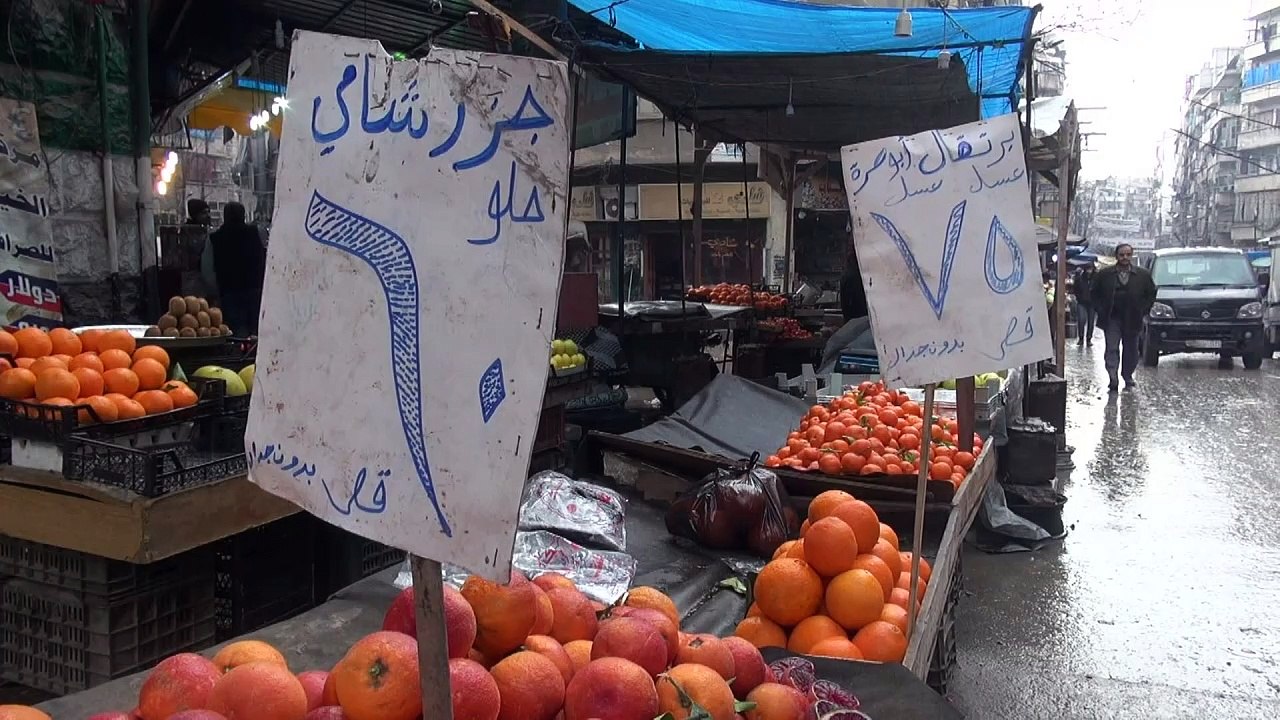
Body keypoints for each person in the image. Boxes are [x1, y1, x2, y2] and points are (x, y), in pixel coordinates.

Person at [1090, 243, 1156, 392]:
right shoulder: (1105, 274)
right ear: (1116, 256)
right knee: (1112, 348)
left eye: (1128, 255)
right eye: (1122, 255)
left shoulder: (1143, 275)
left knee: (1131, 350)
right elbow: (1094, 292)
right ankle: (1112, 377)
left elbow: (1151, 293)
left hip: (1133, 318)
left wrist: (1143, 310)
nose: (1125, 258)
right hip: (1112, 318)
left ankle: (1127, 375)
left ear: (1131, 256)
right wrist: (1100, 309)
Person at [210, 202, 267, 336]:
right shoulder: (256, 233)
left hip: (229, 291)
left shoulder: (215, 238)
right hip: (254, 289)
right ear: (243, 215)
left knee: (236, 330)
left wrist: (215, 291)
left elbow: (208, 270)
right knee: (256, 328)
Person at [839, 246, 869, 322]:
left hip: (854, 317)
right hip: (862, 315)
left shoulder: (847, 276)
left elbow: (845, 304)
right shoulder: (859, 275)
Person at [1072, 264, 1097, 347]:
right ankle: (1081, 338)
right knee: (1081, 320)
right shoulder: (1080, 279)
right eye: (1088, 269)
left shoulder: (1096, 279)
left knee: (1091, 321)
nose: (1089, 271)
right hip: (1082, 302)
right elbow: (1075, 289)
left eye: (1090, 269)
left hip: (1092, 303)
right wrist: (1079, 298)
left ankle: (1089, 339)